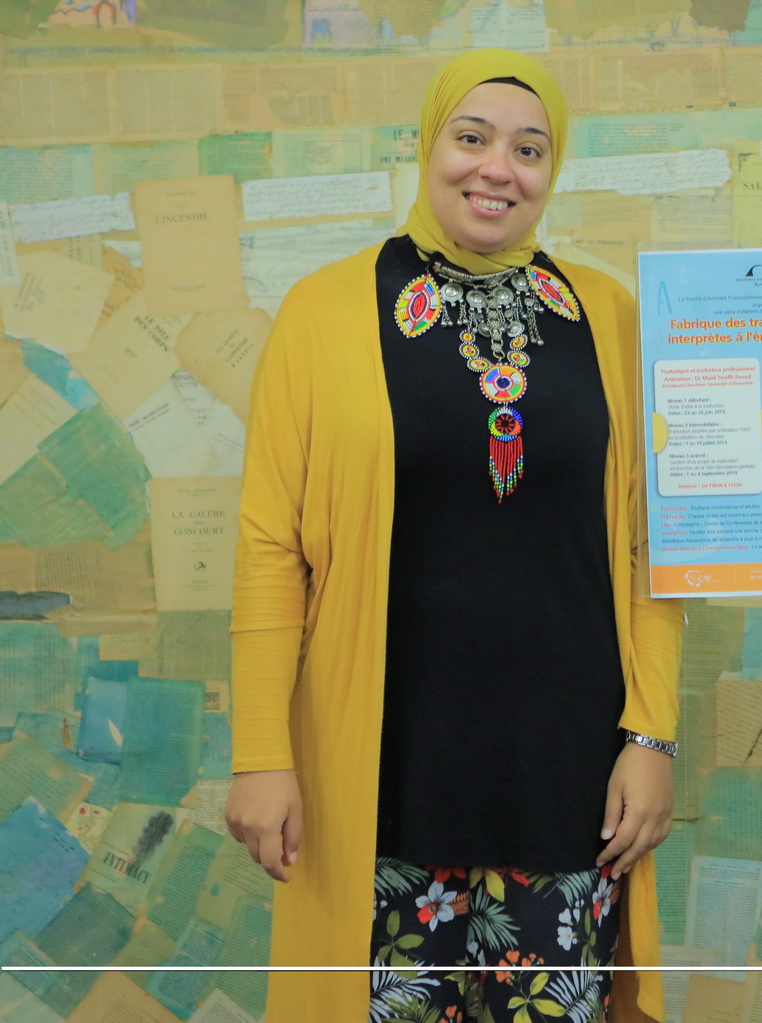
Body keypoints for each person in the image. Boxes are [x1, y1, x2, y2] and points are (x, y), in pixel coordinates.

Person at [224, 50, 683, 1022]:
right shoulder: (322, 311)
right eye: (470, 138)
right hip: (382, 773)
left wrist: (651, 736)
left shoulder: (609, 316)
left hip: (568, 775)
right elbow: (271, 549)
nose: (496, 168)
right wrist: (261, 752)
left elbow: (653, 547)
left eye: (529, 149)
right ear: (427, 145)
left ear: (552, 168)